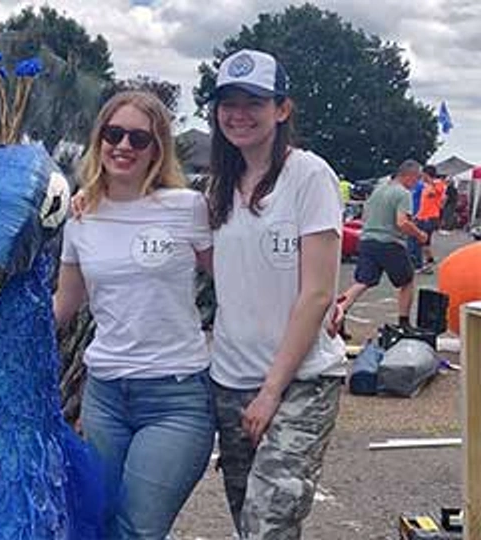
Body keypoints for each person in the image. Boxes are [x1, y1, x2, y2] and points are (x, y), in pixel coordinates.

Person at [53, 90, 215, 538]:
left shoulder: (186, 208)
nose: (123, 146)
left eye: (139, 139)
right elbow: (65, 302)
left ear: (157, 149)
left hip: (175, 398)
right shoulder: (81, 214)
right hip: (104, 395)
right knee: (98, 522)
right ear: (99, 139)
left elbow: (233, 280)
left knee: (139, 528)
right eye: (114, 133)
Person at [205, 49, 345, 538]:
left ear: (282, 109)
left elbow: (317, 294)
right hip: (230, 380)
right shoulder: (219, 186)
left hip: (300, 382)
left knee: (269, 523)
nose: (238, 114)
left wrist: (270, 392)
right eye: (228, 102)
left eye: (254, 102)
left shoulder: (309, 176)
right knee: (251, 522)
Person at [337, 160, 428, 328]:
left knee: (363, 281)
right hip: (389, 242)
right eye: (418, 178)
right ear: (409, 176)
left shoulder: (378, 190)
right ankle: (404, 322)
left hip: (366, 240)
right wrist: (419, 234)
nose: (418, 183)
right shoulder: (403, 193)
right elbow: (402, 223)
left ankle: (340, 309)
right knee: (407, 281)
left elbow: (364, 216)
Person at [413, 165, 445, 272]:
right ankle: (429, 261)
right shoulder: (425, 186)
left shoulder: (438, 184)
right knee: (423, 241)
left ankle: (426, 264)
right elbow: (424, 203)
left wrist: (431, 182)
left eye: (423, 174)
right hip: (422, 216)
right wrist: (417, 215)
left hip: (431, 217)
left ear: (427, 174)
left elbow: (439, 193)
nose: (421, 176)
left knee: (423, 241)